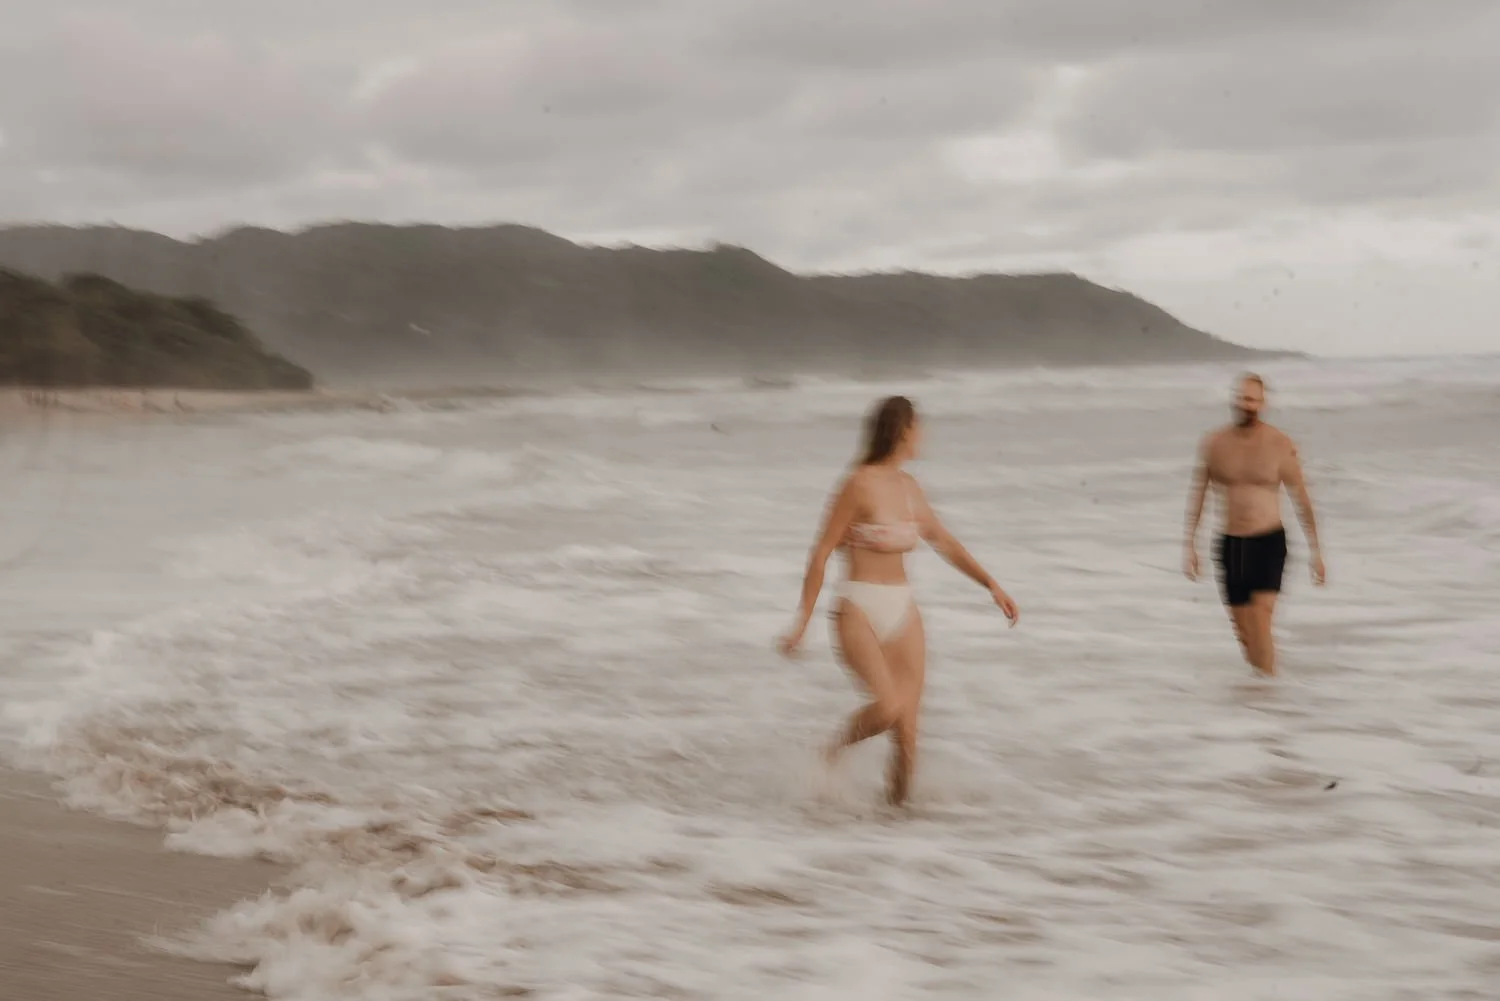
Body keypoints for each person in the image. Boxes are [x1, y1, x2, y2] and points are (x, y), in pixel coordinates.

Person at [778, 395, 1019, 806]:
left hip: (903, 611)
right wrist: (803, 621)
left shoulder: (910, 488)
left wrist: (990, 584)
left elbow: (943, 541)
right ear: (902, 430)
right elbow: (820, 553)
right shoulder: (858, 483)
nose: (922, 436)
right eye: (918, 427)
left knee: (908, 738)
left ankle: (897, 829)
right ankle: (829, 754)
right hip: (858, 607)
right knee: (887, 706)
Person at [1183, 373, 1325, 676]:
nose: (1246, 404)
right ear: (1235, 399)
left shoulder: (1279, 444)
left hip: (1268, 542)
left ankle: (1271, 698)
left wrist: (1317, 551)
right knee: (1244, 633)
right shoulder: (1214, 444)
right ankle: (1260, 693)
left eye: (1252, 399)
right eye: (1242, 398)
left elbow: (1302, 498)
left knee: (1261, 620)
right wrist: (1189, 545)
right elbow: (1199, 494)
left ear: (1263, 403)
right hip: (1231, 545)